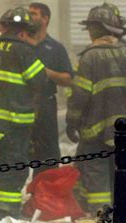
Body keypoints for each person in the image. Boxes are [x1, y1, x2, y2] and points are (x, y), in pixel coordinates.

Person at [66, 5, 126, 214]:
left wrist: (71, 122)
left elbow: (79, 96)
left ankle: (101, 216)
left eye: (91, 28)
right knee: (120, 171)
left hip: (95, 130)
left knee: (96, 172)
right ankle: (122, 213)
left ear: (97, 29)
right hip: (124, 130)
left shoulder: (89, 57)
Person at [0, 7, 48, 218]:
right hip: (14, 122)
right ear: (24, 32)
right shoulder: (24, 51)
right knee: (13, 166)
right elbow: (39, 80)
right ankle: (5, 210)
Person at [28, 2, 73, 169]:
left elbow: (68, 79)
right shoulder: (21, 45)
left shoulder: (55, 48)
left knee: (47, 155)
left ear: (45, 19)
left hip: (45, 105)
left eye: (34, 14)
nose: (29, 16)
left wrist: (45, 72)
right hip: (21, 105)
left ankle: (42, 193)